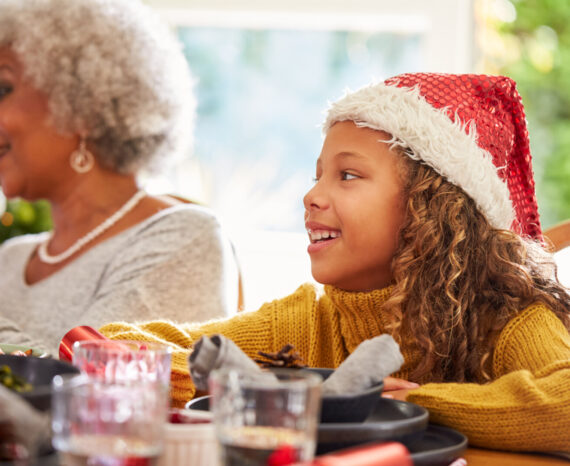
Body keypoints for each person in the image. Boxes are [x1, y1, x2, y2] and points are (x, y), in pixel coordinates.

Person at [100, 73, 570, 452]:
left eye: (347, 175)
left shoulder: (508, 321)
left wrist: (417, 401)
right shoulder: (308, 321)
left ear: (432, 209)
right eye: (317, 175)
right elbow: (116, 348)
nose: (311, 195)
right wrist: (270, 392)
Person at [0, 0, 240, 356]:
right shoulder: (10, 259)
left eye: (4, 88)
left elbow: (93, 382)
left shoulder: (183, 238)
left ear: (83, 103)